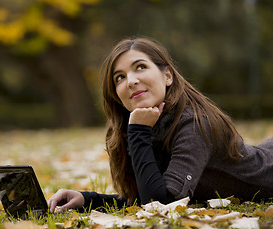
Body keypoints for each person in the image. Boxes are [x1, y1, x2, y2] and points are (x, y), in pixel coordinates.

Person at [48, 37, 273, 213]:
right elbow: (147, 196)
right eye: (120, 77)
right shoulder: (151, 125)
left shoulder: (194, 125)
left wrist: (138, 132)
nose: (131, 80)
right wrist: (86, 199)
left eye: (140, 67)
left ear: (168, 76)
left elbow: (161, 205)